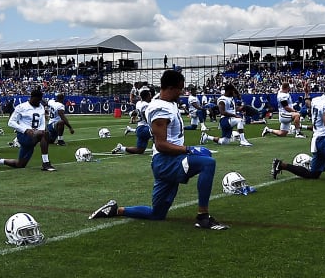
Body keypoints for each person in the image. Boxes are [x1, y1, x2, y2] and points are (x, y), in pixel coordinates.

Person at [88, 69, 228, 230]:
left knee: (157, 214)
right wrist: (188, 149)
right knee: (207, 163)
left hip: (169, 161)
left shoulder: (167, 104)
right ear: (170, 88)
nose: (181, 92)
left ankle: (116, 210)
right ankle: (203, 217)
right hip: (166, 161)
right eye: (179, 88)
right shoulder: (160, 109)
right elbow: (161, 145)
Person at [0, 87, 56, 171]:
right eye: (38, 100)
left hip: (34, 135)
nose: (39, 102)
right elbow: (11, 122)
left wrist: (40, 131)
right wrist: (25, 130)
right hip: (24, 135)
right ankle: (46, 163)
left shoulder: (40, 107)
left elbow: (42, 122)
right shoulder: (22, 107)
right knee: (45, 134)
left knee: (20, 164)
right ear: (33, 98)